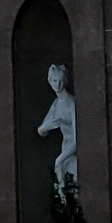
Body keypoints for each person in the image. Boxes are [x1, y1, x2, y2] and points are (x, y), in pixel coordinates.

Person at [37, 61, 80, 198]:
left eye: (61, 81)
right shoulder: (56, 104)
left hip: (72, 154)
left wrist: (60, 160)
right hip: (64, 151)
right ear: (50, 81)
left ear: (65, 81)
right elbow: (41, 131)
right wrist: (47, 126)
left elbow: (77, 138)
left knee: (72, 191)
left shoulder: (71, 103)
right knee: (63, 193)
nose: (58, 84)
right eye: (55, 81)